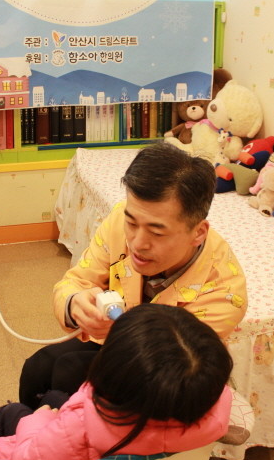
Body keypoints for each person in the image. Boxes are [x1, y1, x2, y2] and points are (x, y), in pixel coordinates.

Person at [18, 142, 247, 409]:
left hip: (160, 372)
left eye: (157, 232)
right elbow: (76, 281)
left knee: (68, 375)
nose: (137, 243)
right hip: (117, 341)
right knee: (37, 368)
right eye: (132, 223)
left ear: (198, 233)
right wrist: (73, 304)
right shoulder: (119, 220)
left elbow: (165, 368)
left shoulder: (225, 292)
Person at [0, 304, 234, 460]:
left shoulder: (76, 432)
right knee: (54, 399)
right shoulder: (213, 408)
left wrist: (36, 421)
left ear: (108, 369)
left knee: (17, 414)